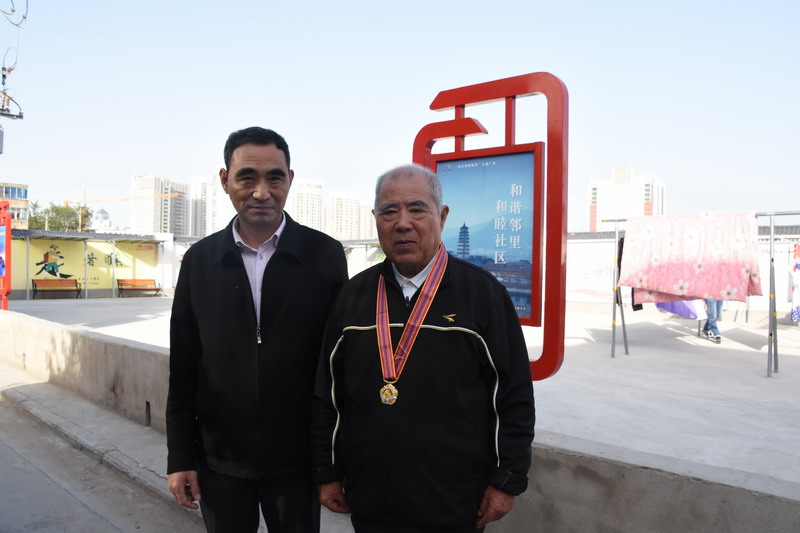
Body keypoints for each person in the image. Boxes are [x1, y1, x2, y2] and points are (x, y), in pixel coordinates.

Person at [312, 164, 535, 532]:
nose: (403, 223)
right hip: (370, 496)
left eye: (417, 209)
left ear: (442, 216)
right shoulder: (353, 296)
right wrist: (327, 471)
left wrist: (507, 479)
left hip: (455, 500)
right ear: (376, 219)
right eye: (389, 212)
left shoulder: (482, 294)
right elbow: (328, 395)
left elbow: (513, 395)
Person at [166, 127, 348, 532]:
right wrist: (180, 459)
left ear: (290, 179)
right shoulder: (199, 262)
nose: (261, 192)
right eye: (247, 177)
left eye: (274, 177)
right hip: (220, 462)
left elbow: (337, 369)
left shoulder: (324, 256)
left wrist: (330, 464)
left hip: (299, 464)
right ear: (224, 180)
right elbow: (184, 370)